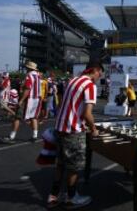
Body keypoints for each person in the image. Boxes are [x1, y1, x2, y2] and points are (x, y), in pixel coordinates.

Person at [47, 61, 102, 209]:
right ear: (95, 70)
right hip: (74, 131)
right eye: (100, 73)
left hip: (60, 128)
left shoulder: (72, 80)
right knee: (74, 167)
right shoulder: (90, 85)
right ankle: (71, 198)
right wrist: (94, 128)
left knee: (60, 164)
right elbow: (87, 113)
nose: (100, 76)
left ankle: (53, 195)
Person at [0, 61, 42, 143]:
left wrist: (21, 100)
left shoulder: (29, 76)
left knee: (17, 117)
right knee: (34, 117)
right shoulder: (38, 76)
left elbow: (27, 89)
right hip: (37, 99)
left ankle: (11, 137)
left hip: (28, 99)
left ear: (28, 68)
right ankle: (35, 135)